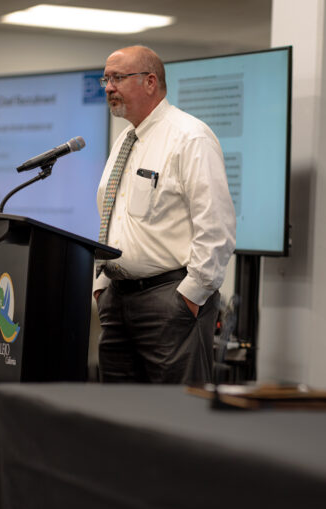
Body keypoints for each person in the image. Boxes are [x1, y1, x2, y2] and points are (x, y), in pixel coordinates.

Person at [93, 45, 236, 383]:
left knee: (174, 418)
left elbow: (216, 226)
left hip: (169, 301)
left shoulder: (190, 137)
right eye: (106, 79)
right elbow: (114, 217)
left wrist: (190, 296)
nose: (109, 87)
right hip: (117, 298)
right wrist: (101, 284)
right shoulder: (125, 140)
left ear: (150, 82)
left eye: (118, 78)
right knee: (117, 419)